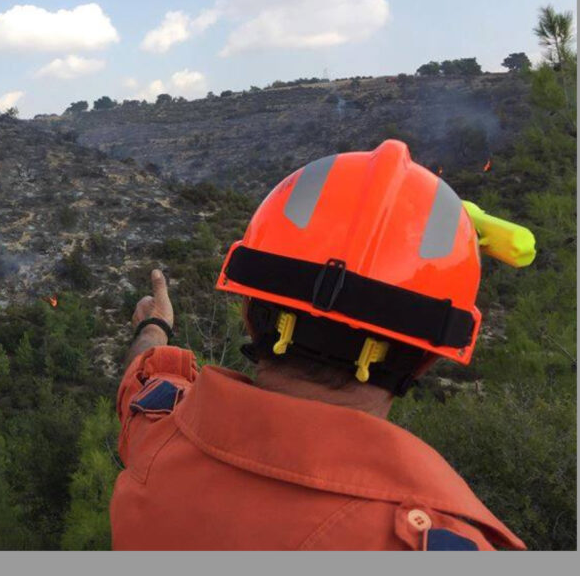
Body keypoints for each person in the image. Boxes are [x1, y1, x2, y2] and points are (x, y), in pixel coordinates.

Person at [109, 139, 528, 550]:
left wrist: (156, 323)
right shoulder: (432, 544)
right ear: (427, 358)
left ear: (251, 315)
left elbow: (142, 376)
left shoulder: (158, 432)